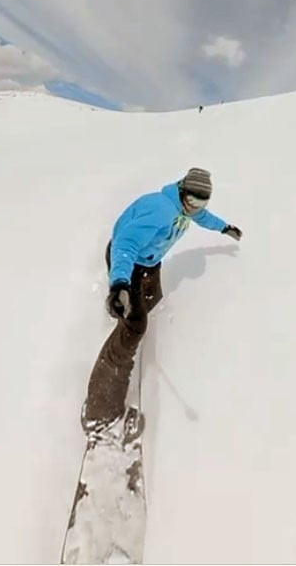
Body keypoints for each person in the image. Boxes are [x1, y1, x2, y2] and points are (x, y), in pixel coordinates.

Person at [83, 168, 242, 429]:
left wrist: (224, 228)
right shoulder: (162, 211)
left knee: (152, 297)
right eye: (192, 202)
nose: (194, 209)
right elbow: (125, 244)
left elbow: (203, 217)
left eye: (200, 203)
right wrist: (120, 283)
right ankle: (100, 409)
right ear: (182, 191)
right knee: (136, 326)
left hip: (148, 262)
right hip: (128, 263)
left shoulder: (186, 207)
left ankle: (126, 309)